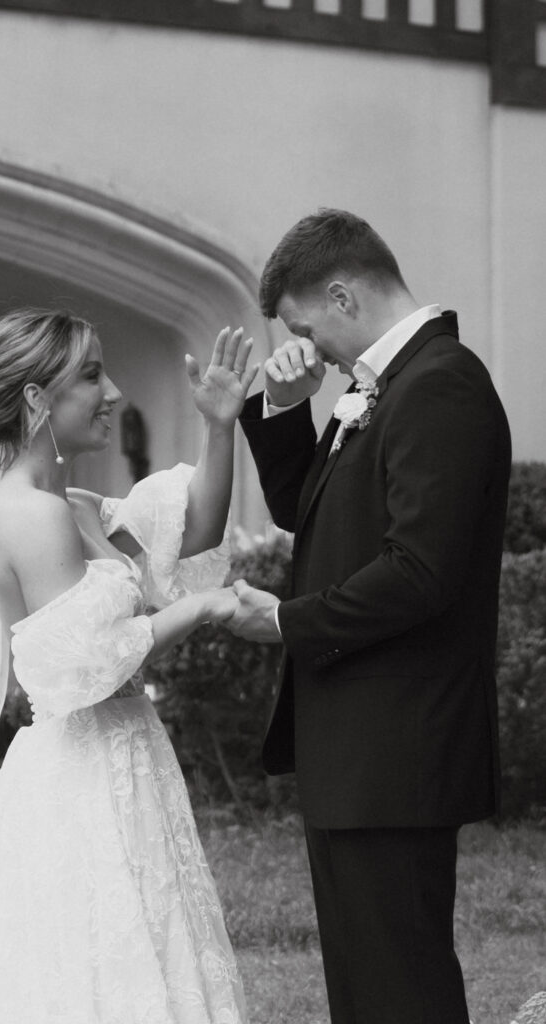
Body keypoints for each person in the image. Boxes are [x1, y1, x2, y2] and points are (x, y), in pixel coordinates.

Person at [0, 308, 258, 1024]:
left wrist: (220, 423)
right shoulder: (26, 515)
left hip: (121, 760)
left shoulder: (68, 504)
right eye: (89, 375)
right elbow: (81, 672)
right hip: (82, 771)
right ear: (38, 399)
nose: (111, 392)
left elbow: (193, 526)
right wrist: (201, 610)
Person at [227, 209, 511, 1024]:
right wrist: (286, 411)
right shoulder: (380, 390)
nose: (305, 348)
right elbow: (310, 517)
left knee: (400, 987)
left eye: (303, 326)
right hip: (359, 747)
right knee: (367, 986)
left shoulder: (440, 385)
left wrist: (286, 622)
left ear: (342, 296)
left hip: (399, 746)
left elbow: (421, 573)